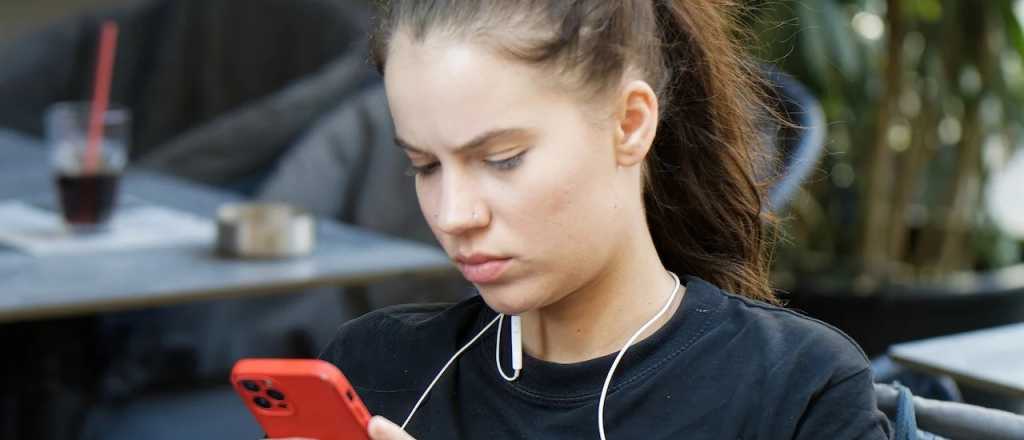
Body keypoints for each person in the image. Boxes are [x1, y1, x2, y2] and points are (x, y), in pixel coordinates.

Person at [282, 0, 893, 438]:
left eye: (503, 159)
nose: (452, 215)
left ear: (629, 124)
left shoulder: (792, 391)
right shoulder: (374, 370)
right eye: (425, 165)